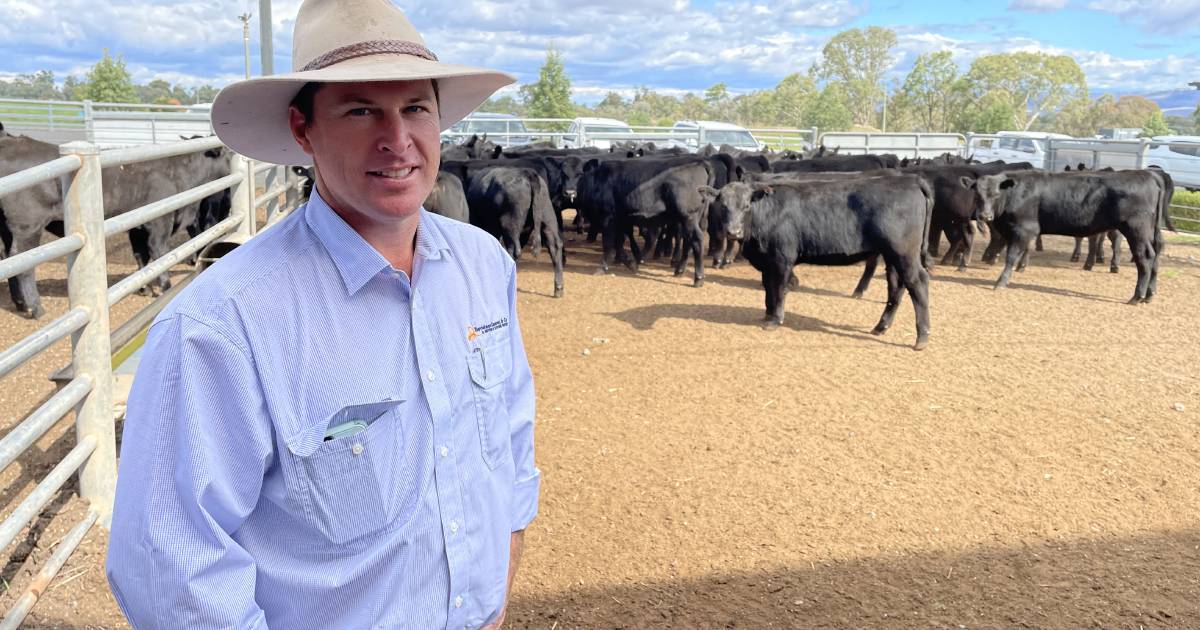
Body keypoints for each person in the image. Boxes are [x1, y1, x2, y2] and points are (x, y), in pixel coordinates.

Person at [105, 1, 540, 628]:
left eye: (416, 107)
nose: (398, 139)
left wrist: (502, 566)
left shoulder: (482, 266)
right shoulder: (224, 323)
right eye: (360, 109)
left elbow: (509, 431)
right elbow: (172, 573)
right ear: (303, 129)